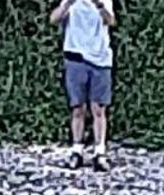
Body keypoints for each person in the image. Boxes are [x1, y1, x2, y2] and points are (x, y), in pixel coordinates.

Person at [49, 0, 116, 171]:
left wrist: (99, 6)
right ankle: (76, 150)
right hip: (75, 57)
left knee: (99, 109)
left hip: (100, 59)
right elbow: (54, 19)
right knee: (77, 108)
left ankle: (99, 152)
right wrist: (67, 4)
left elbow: (111, 21)